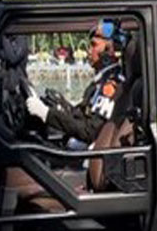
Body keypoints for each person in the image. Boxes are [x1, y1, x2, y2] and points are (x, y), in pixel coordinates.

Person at [26, 18, 129, 146]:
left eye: (94, 45)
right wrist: (62, 105)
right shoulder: (100, 82)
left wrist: (47, 114)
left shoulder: (111, 85)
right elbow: (82, 114)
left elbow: (89, 131)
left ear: (110, 50)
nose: (88, 51)